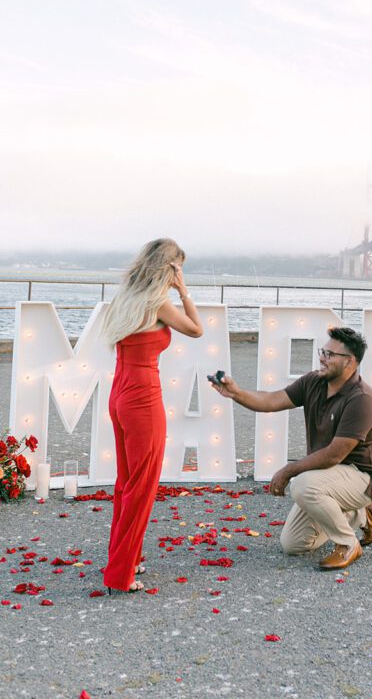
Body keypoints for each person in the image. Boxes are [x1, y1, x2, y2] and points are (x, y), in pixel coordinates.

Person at [212, 326, 372, 570]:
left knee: (303, 485)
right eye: (323, 351)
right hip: (329, 477)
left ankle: (348, 544)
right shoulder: (314, 382)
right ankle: (358, 514)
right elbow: (271, 401)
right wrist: (236, 393)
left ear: (350, 363)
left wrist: (288, 470)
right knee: (293, 544)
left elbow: (334, 454)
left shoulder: (362, 399)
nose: (322, 358)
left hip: (361, 476)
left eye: (330, 355)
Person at [101, 238, 203, 593]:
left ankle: (125, 560)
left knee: (126, 482)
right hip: (143, 398)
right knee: (142, 486)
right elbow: (195, 329)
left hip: (119, 395)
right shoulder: (157, 303)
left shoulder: (125, 298)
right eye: (179, 268)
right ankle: (121, 574)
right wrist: (184, 291)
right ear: (169, 268)